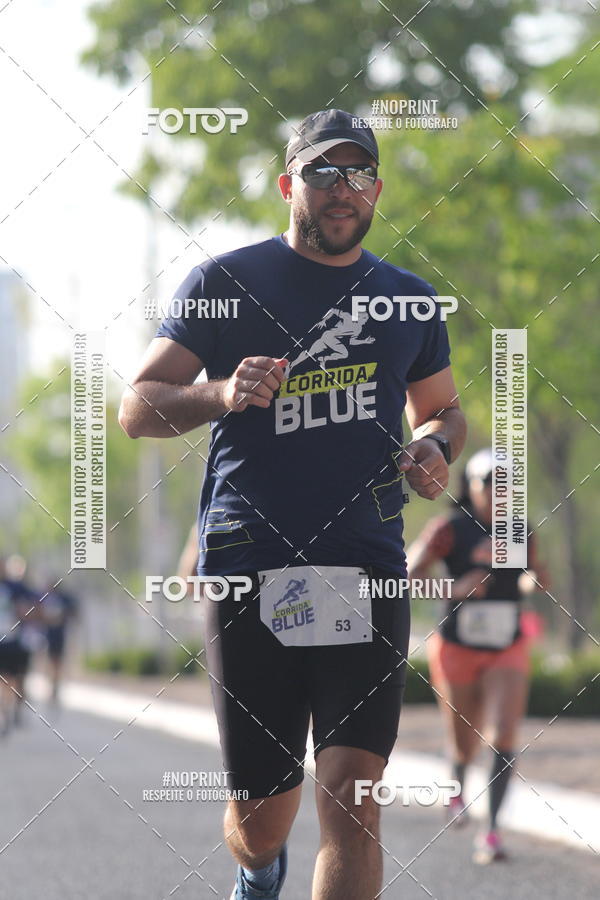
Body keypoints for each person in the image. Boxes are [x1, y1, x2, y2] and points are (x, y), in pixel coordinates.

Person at [119, 108, 466, 900]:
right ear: (288, 183)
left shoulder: (409, 301)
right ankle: (258, 868)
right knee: (262, 819)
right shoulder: (225, 283)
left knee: (352, 798)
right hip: (250, 567)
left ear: (377, 190)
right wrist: (218, 391)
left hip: (367, 569)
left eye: (359, 175)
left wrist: (435, 447)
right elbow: (138, 408)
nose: (343, 189)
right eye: (323, 172)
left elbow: (444, 410)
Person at [406, 448, 549, 865]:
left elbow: (537, 578)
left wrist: (532, 582)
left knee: (504, 732)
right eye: (489, 482)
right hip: (456, 646)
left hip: (507, 643)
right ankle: (457, 781)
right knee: (464, 742)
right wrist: (454, 588)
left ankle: (491, 831)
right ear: (470, 485)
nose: (497, 491)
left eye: (506, 483)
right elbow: (407, 580)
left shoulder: (521, 531)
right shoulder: (448, 528)